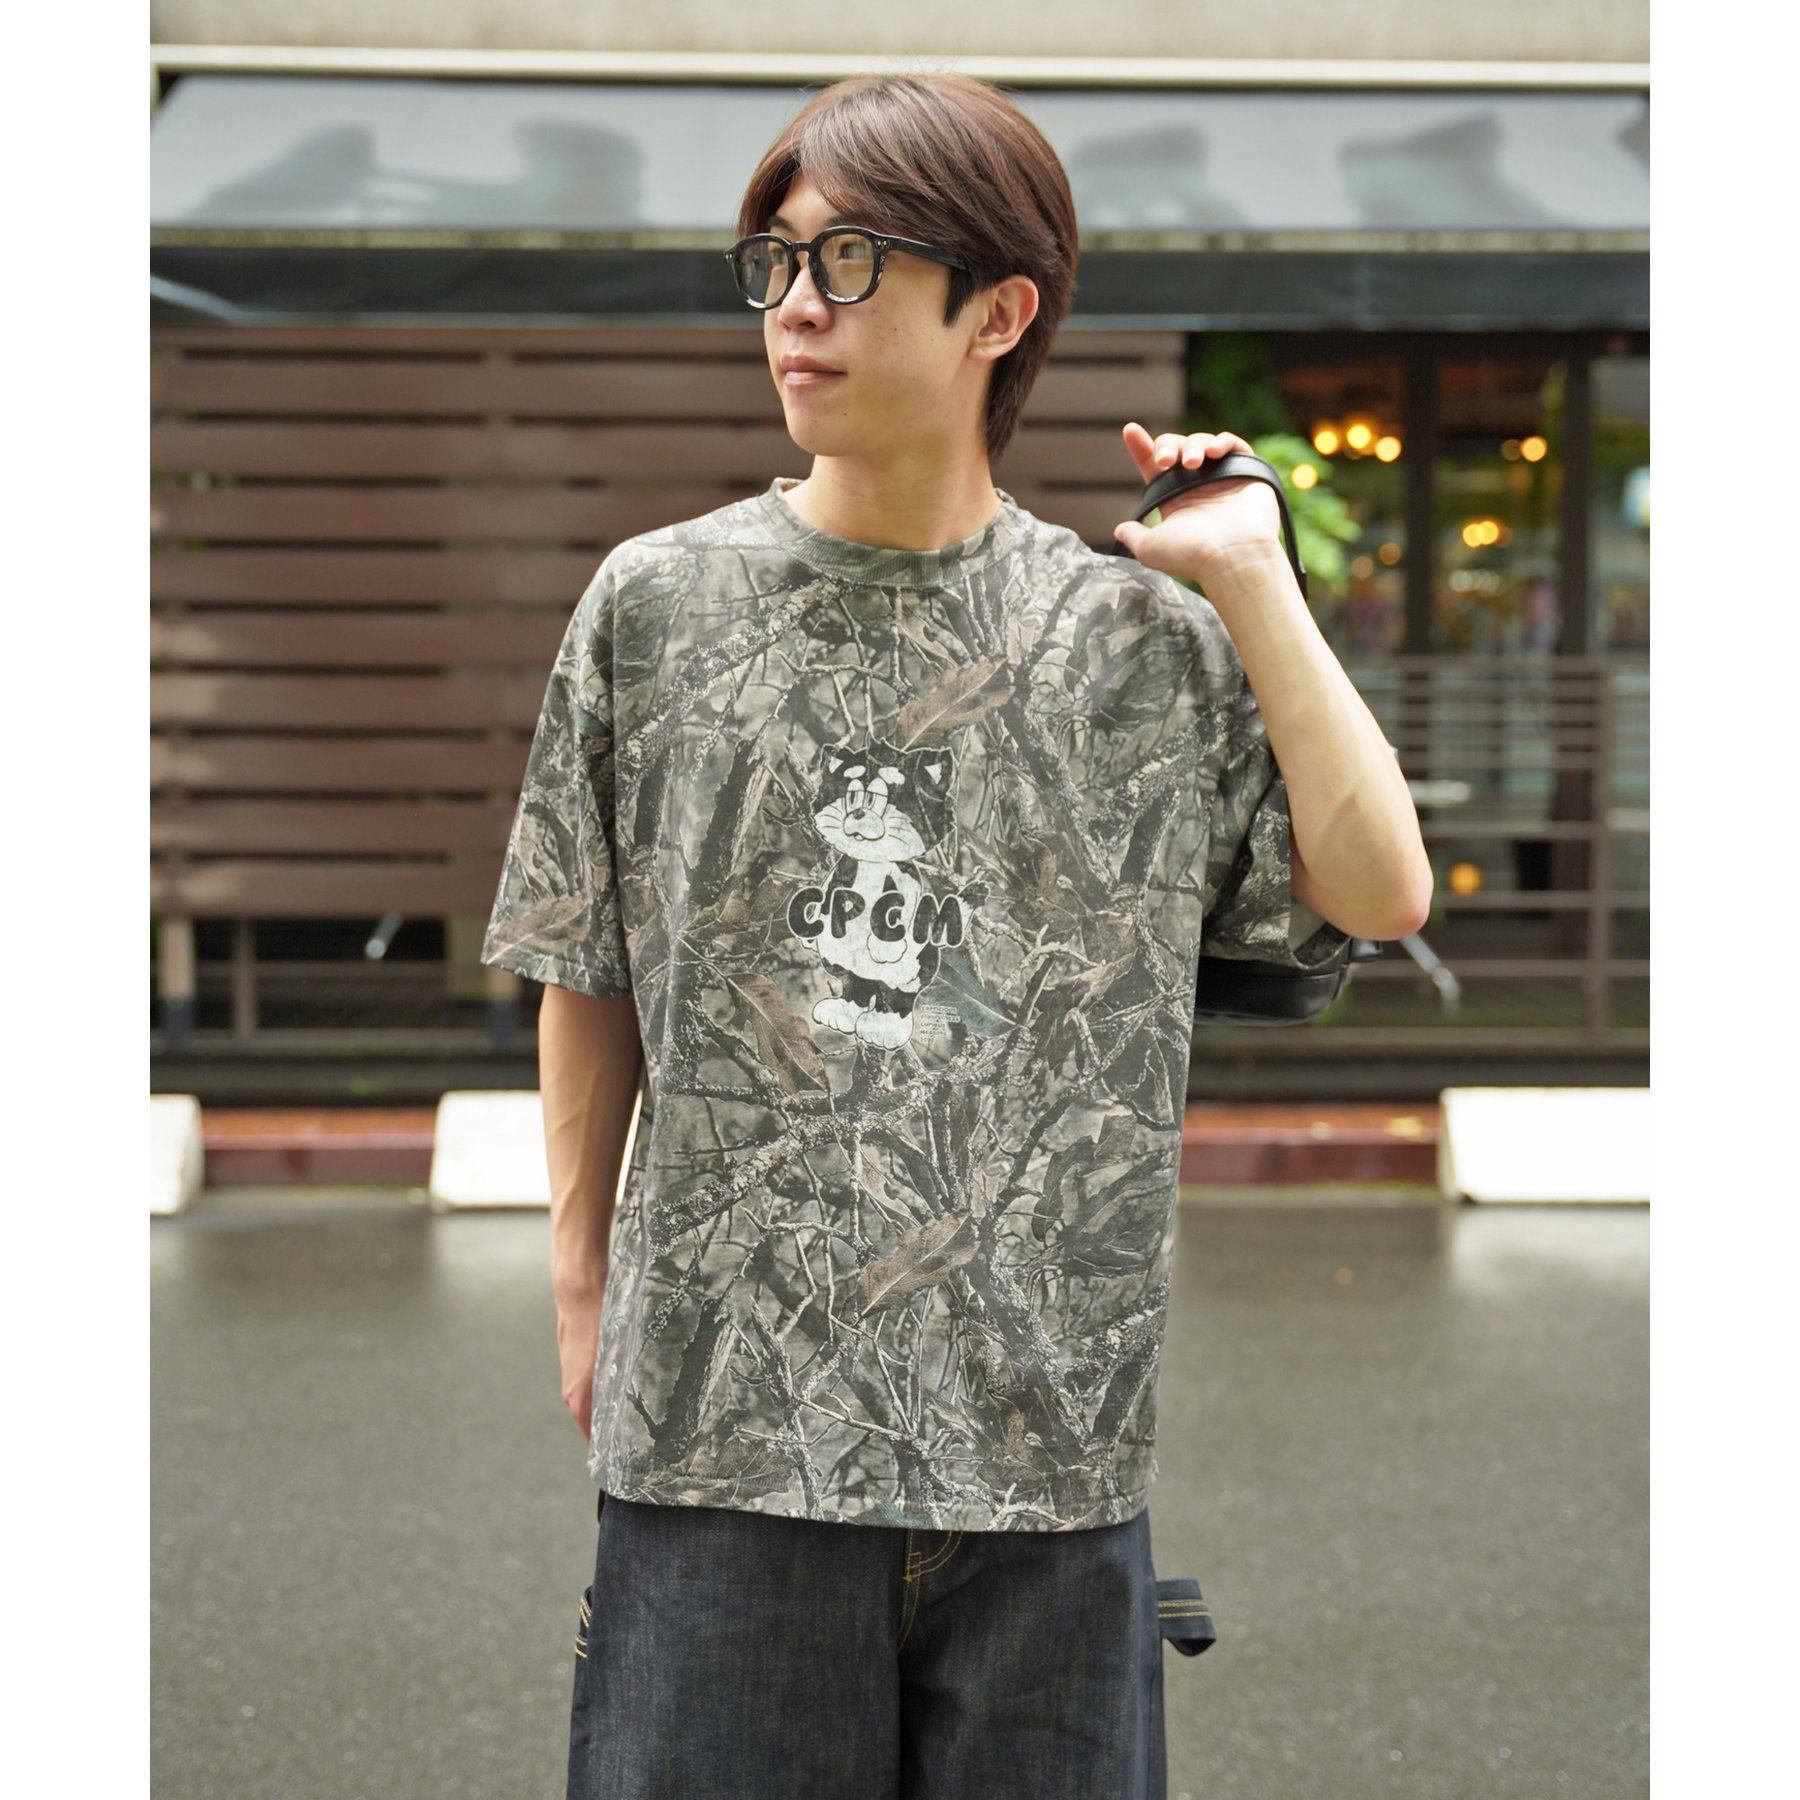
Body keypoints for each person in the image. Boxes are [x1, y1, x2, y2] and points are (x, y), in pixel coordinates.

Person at [480, 71, 1431, 1800]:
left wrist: (1254, 578)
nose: (799, 307)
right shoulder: (658, 606)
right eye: (775, 263)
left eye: (852, 260)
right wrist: (582, 1283)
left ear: (1000, 311)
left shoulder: (1139, 645)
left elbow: (1380, 893)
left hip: (1048, 1447)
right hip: (724, 1438)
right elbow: (583, 956)